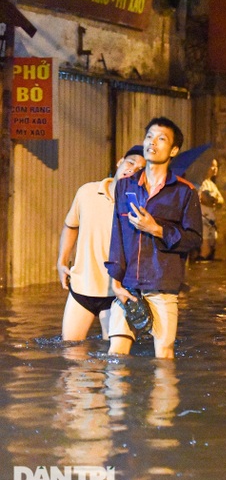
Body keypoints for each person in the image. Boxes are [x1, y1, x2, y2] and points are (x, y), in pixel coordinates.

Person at [105, 117, 202, 359]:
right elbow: (117, 234)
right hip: (127, 287)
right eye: (149, 137)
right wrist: (115, 282)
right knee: (116, 357)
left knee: (164, 358)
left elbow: (193, 240)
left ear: (174, 150)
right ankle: (116, 398)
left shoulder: (185, 192)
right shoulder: (125, 186)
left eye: (161, 139)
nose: (153, 143)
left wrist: (156, 229)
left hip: (162, 287)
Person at [57, 146, 146, 341]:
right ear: (120, 162)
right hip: (81, 288)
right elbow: (70, 226)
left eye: (140, 170)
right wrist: (61, 262)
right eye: (130, 163)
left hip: (116, 293)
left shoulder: (139, 207)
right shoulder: (87, 192)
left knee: (115, 361)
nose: (132, 169)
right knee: (70, 353)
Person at [197, 158, 225, 261]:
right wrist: (214, 199)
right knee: (205, 249)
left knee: (212, 246)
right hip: (203, 219)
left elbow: (221, 201)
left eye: (216, 166)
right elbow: (205, 199)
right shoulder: (202, 183)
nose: (215, 169)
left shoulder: (211, 184)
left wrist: (215, 199)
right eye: (212, 166)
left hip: (211, 220)